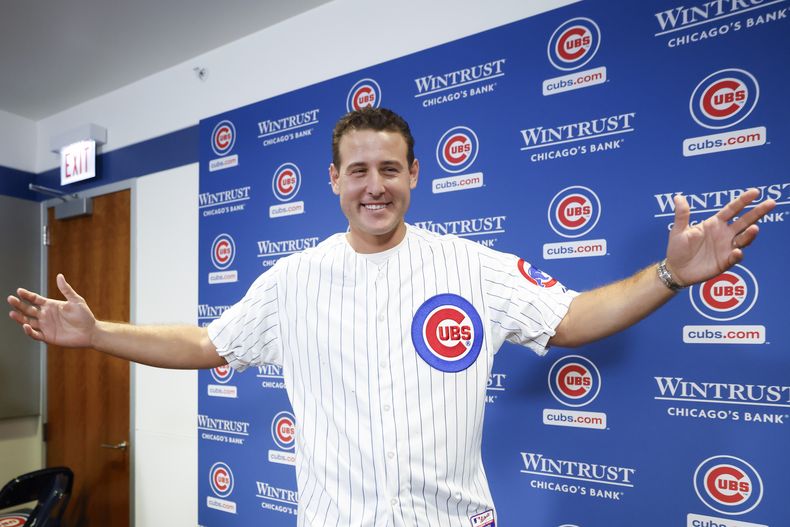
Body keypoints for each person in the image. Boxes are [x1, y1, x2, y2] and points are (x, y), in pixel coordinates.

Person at [7, 108, 776, 527]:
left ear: (415, 174)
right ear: (334, 180)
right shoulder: (293, 279)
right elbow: (208, 342)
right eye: (358, 171)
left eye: (389, 169)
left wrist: (673, 272)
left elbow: (572, 318)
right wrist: (99, 331)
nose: (375, 186)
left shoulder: (471, 265)